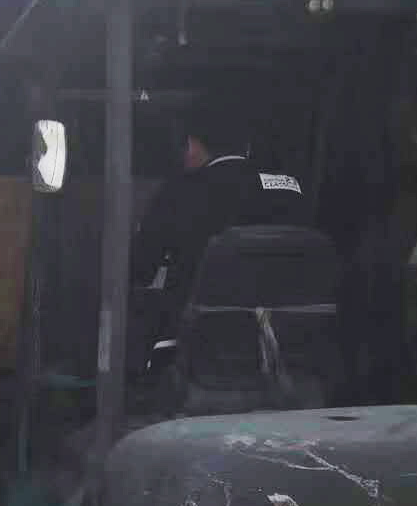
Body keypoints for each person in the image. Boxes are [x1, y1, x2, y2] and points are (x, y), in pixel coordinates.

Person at [127, 102, 313, 380]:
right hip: (291, 351)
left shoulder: (178, 192)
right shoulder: (290, 187)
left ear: (192, 145)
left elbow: (140, 270)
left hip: (202, 355)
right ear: (247, 145)